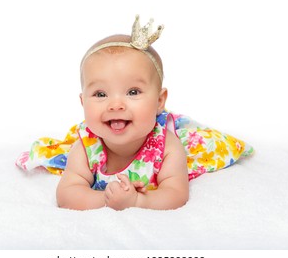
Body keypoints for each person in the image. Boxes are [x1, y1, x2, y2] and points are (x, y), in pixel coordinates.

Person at [16, 15, 254, 211]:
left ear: (159, 101)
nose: (115, 105)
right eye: (100, 94)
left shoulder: (167, 146)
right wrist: (108, 199)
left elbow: (176, 194)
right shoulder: (86, 147)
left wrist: (139, 201)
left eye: (132, 91)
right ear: (82, 102)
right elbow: (67, 194)